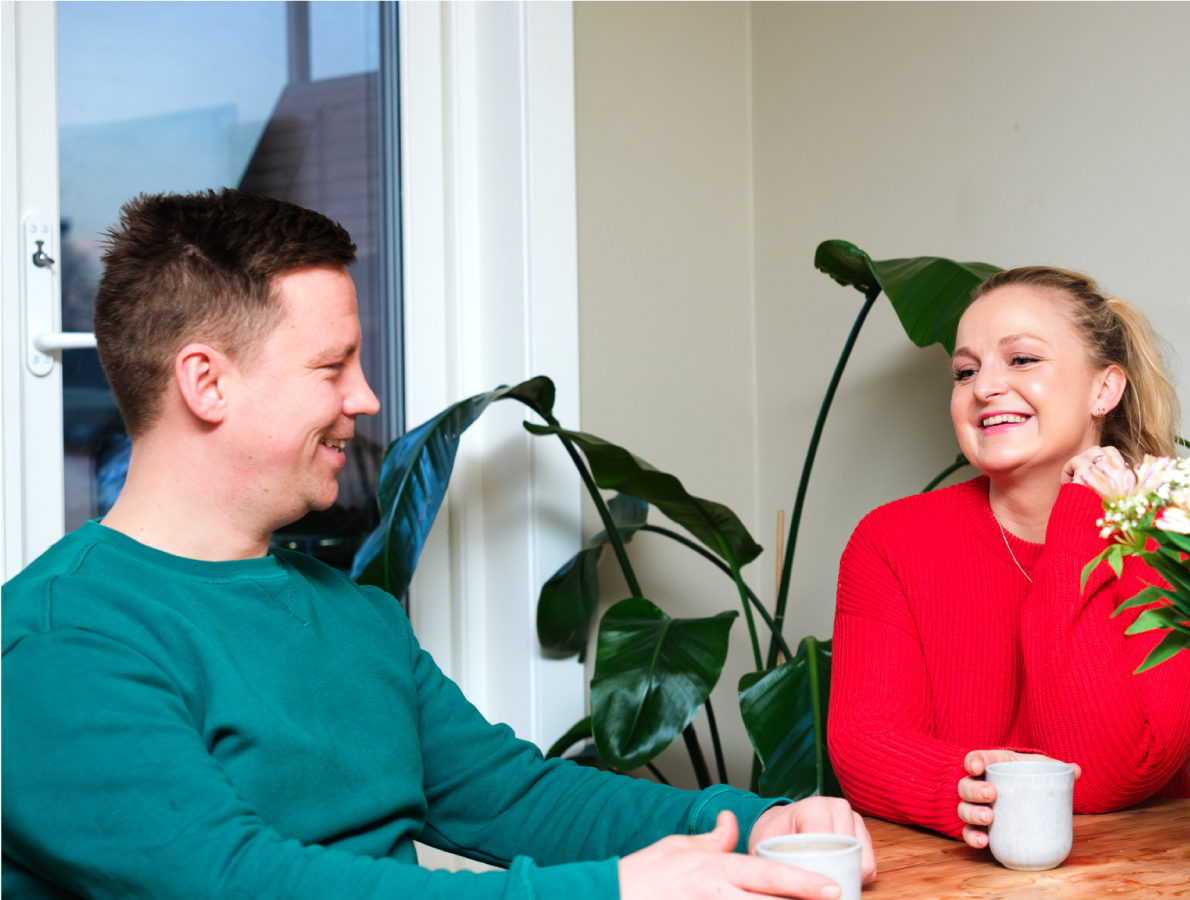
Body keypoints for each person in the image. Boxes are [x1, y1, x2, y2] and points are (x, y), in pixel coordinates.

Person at [2, 189, 874, 900]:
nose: (367, 397)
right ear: (207, 382)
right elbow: (230, 882)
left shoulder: (353, 616)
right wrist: (608, 895)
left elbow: (512, 796)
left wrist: (755, 825)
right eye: (332, 366)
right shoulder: (59, 640)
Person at [828, 266, 1190, 848]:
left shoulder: (1186, 549)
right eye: (966, 371)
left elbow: (1107, 775)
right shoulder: (891, 540)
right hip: (951, 882)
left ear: (1104, 390)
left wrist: (1083, 510)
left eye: (1021, 360)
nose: (984, 387)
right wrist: (975, 791)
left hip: (1153, 876)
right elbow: (867, 744)